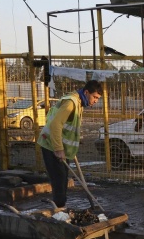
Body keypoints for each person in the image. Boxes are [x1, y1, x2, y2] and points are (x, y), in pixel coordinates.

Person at [37, 79, 103, 208]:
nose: (96, 101)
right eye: (95, 97)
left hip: (59, 146)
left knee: (62, 180)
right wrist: (59, 149)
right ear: (86, 92)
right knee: (59, 181)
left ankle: (61, 208)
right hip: (51, 144)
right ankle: (59, 212)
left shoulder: (79, 102)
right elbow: (56, 124)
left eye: (98, 98)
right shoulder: (71, 103)